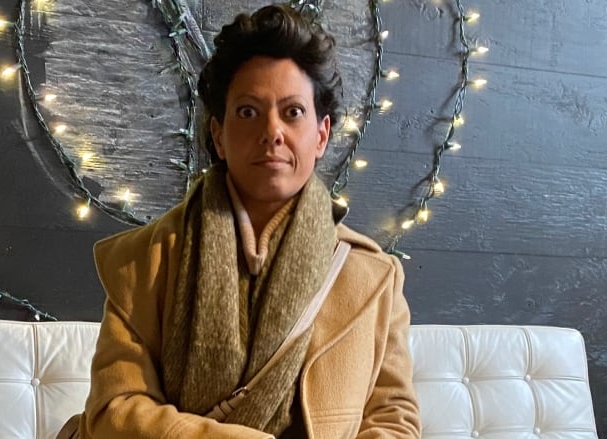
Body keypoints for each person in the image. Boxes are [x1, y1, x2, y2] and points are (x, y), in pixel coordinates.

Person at [58, 3, 420, 438]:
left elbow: (393, 419)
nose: (272, 131)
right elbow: (114, 411)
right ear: (218, 136)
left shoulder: (372, 277)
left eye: (293, 112)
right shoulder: (147, 260)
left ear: (321, 135)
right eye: (248, 111)